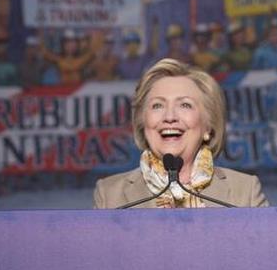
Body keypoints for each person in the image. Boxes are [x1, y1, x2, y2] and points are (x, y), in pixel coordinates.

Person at [93, 59, 267, 209]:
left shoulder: (245, 192)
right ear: (143, 123)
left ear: (208, 126)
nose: (169, 117)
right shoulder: (110, 195)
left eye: (185, 105)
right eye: (157, 105)